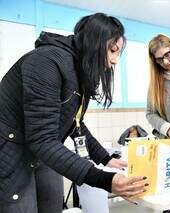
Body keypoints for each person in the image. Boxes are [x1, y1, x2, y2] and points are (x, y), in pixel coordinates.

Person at [0, 13, 147, 213]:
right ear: (94, 42)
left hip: (41, 152)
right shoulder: (45, 62)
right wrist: (105, 179)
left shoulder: (79, 71)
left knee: (52, 205)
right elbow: (42, 139)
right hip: (11, 149)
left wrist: (105, 159)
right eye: (112, 51)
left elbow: (75, 123)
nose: (114, 61)